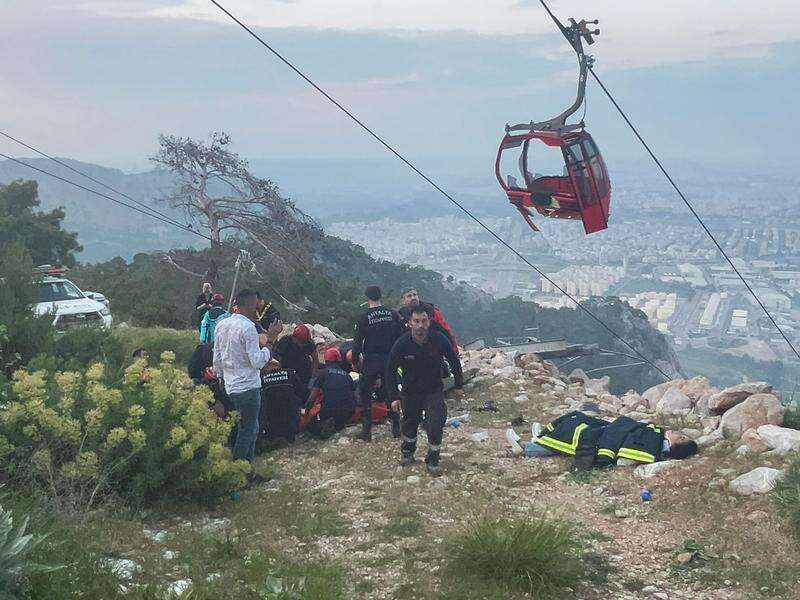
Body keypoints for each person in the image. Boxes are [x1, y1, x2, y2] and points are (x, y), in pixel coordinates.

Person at [213, 288, 282, 487]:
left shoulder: (222, 325)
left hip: (230, 386)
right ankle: (239, 475)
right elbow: (257, 361)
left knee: (250, 427)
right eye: (255, 305)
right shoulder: (248, 328)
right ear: (251, 305)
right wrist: (269, 342)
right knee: (247, 429)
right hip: (248, 386)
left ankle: (247, 471)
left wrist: (220, 377)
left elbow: (216, 357)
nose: (257, 309)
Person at [386, 306, 464, 476]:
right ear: (410, 323)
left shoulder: (439, 340)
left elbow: (454, 361)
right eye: (416, 321)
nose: (420, 325)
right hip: (410, 391)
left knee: (435, 423)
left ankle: (433, 458)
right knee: (409, 423)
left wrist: (459, 385)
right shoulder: (402, 343)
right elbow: (390, 370)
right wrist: (393, 397)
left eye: (424, 321)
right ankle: (408, 452)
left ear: (429, 322)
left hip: (433, 390)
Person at [524, 411, 699, 469]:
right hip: (608, 430)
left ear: (678, 443)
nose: (677, 432)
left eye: (682, 436)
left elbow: (625, 446)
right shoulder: (655, 438)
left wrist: (604, 455)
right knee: (578, 418)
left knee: (578, 433)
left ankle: (529, 447)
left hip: (603, 438)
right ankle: (542, 437)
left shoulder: (652, 443)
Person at [352, 285, 405, 442]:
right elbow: (402, 335)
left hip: (371, 360)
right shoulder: (392, 314)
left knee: (365, 393)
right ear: (380, 296)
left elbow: (357, 342)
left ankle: (366, 430)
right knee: (391, 391)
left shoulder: (364, 317)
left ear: (367, 297)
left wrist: (355, 361)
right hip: (390, 358)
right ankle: (396, 426)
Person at [306, 347, 356, 439]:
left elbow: (312, 398)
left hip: (329, 410)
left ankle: (322, 426)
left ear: (326, 360)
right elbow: (353, 397)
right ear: (339, 361)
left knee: (310, 426)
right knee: (339, 419)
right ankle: (338, 425)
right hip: (348, 412)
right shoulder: (347, 376)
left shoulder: (323, 374)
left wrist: (306, 412)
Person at [397, 287, 459, 355]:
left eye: (415, 295)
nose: (413, 298)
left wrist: (454, 352)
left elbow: (446, 331)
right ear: (403, 301)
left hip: (434, 350)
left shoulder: (431, 310)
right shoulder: (401, 315)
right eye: (409, 296)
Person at [259, 359, 302, 450]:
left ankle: (273, 439)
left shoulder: (262, 378)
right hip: (291, 418)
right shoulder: (290, 373)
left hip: (272, 419)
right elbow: (301, 390)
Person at [273, 323, 315, 401]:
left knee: (303, 393)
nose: (302, 345)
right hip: (287, 371)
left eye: (304, 342)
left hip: (303, 371)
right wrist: (280, 374)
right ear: (294, 338)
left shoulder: (309, 343)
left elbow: (315, 359)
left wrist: (313, 376)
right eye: (300, 342)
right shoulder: (285, 342)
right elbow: (277, 359)